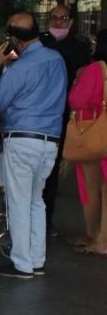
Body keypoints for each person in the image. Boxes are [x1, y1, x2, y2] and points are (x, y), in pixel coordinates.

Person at [0, 12, 67, 278]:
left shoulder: (19, 68)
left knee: (19, 201)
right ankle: (37, 259)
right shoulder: (57, 59)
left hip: (22, 139)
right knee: (36, 201)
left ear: (14, 39)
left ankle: (22, 264)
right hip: (50, 142)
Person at [40, 4, 92, 233]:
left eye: (63, 18)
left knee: (51, 169)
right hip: (36, 113)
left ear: (70, 22)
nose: (58, 22)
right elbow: (13, 58)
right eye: (54, 18)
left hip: (61, 116)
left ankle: (45, 218)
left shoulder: (79, 48)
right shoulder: (39, 41)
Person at [67, 28, 107, 256]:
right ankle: (96, 236)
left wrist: (77, 81)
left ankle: (98, 238)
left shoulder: (94, 69)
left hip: (94, 134)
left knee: (90, 187)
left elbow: (77, 101)